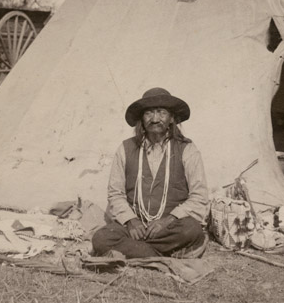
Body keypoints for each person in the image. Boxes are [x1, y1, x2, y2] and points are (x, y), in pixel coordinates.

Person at [90, 87, 210, 259]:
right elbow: (115, 193)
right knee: (101, 239)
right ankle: (166, 252)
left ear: (171, 119)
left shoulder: (187, 149)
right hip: (135, 227)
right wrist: (131, 221)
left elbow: (199, 197)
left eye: (161, 113)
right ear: (141, 119)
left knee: (191, 230)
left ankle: (137, 251)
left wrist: (167, 221)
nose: (155, 119)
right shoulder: (126, 148)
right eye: (149, 113)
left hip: (170, 226)